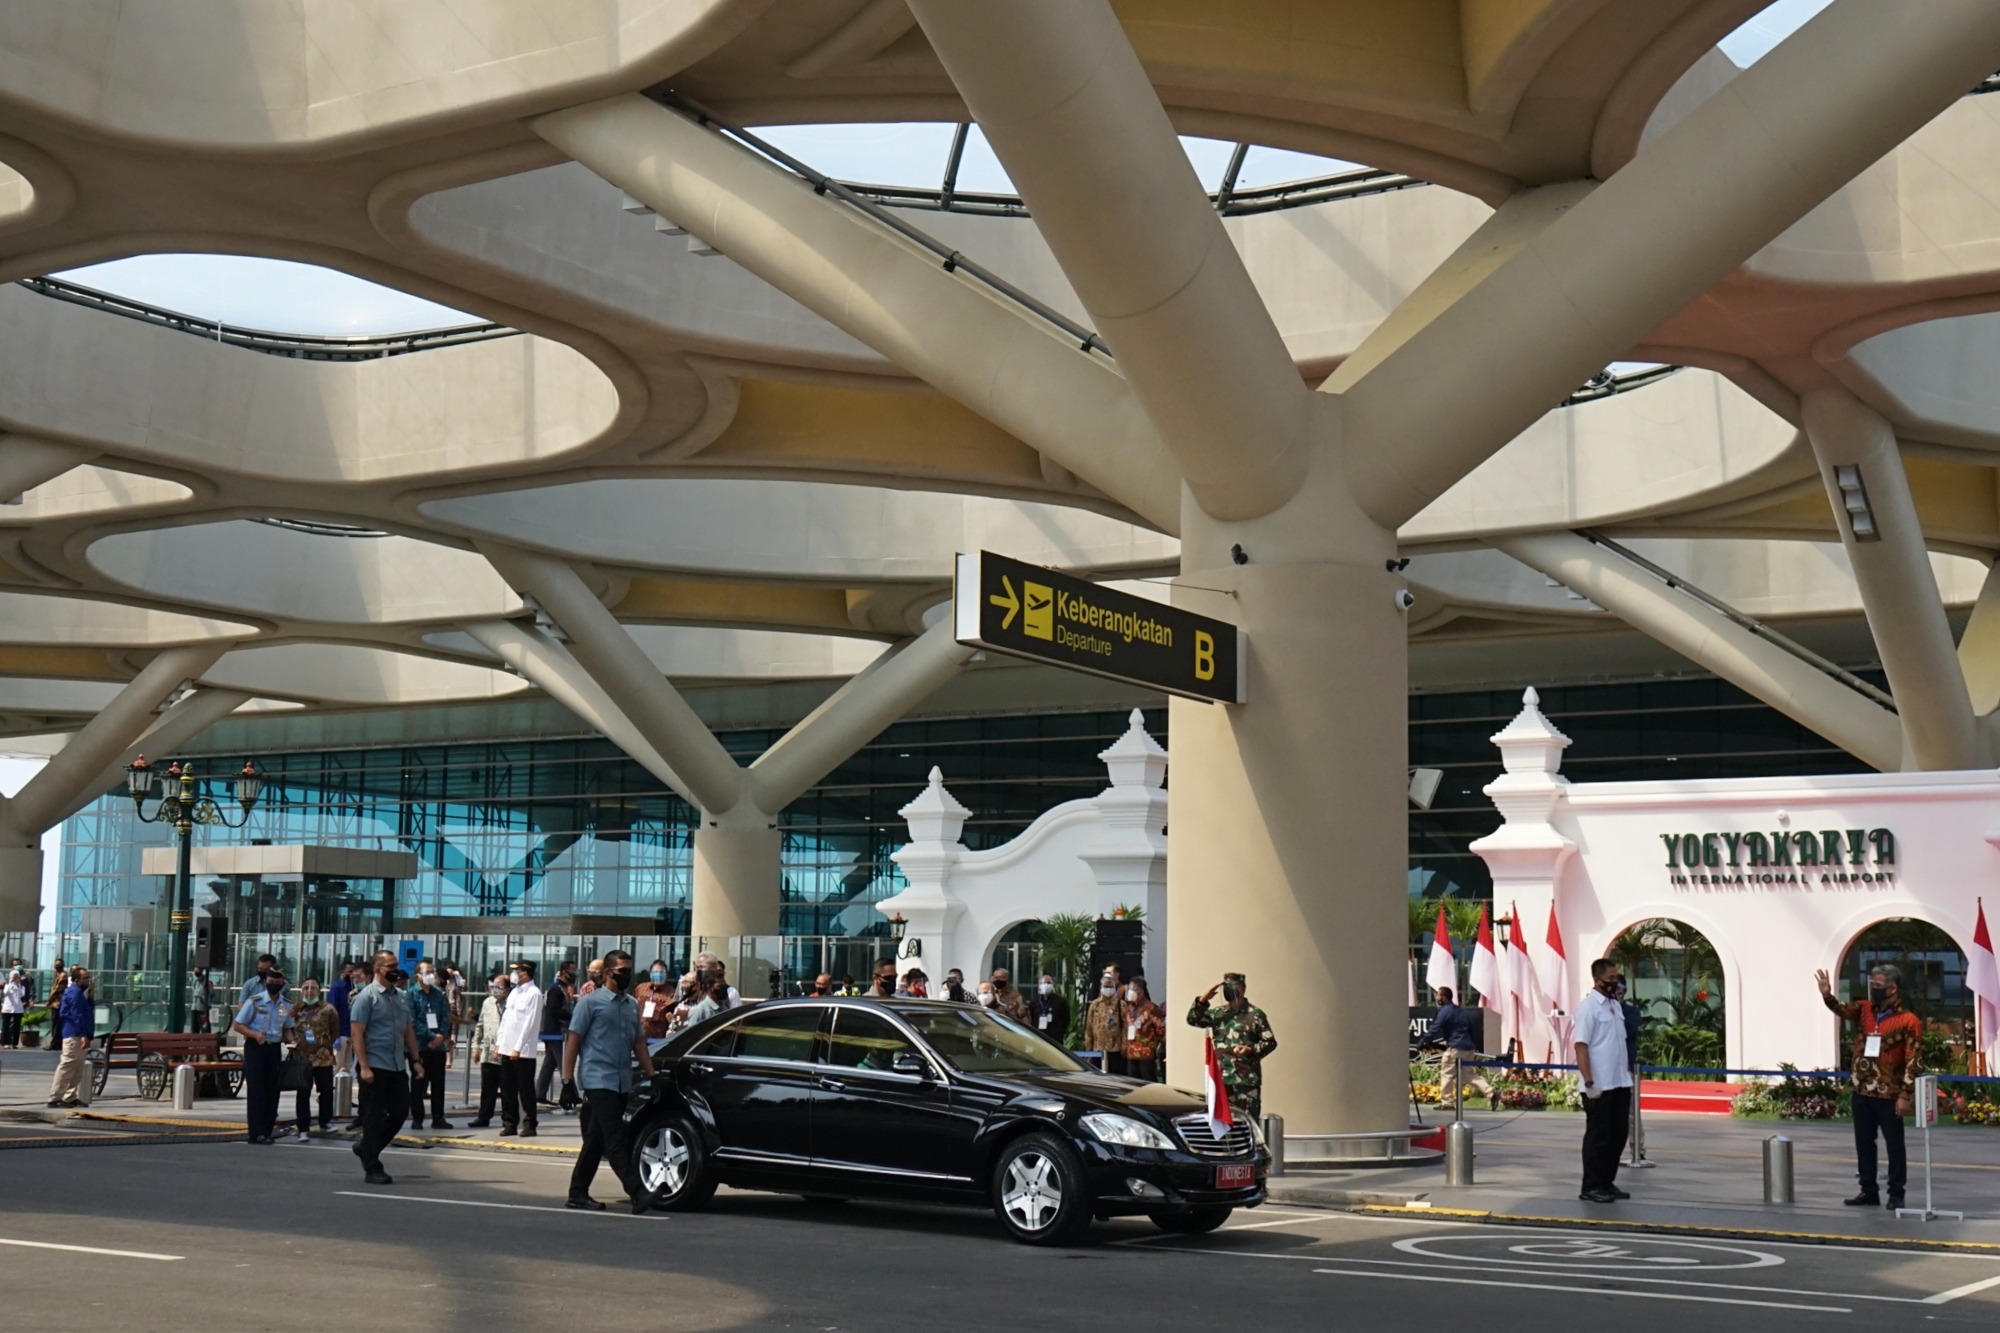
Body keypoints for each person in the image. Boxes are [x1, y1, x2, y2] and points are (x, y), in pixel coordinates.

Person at [1817, 963, 1921, 1209]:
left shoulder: (1908, 1020)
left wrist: (1905, 1095)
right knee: (1864, 1142)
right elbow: (1840, 1010)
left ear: (1893, 988)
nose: (1874, 989)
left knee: (1894, 1144)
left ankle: (1896, 1193)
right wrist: (1827, 995)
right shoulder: (1864, 1010)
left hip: (1889, 1092)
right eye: (1872, 984)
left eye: (1878, 985)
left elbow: (1913, 1060)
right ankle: (1868, 1190)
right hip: (1862, 1089)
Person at [563, 950, 657, 1213]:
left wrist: (652, 1076)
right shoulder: (590, 1003)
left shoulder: (630, 1005)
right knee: (616, 1139)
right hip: (597, 1080)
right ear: (607, 973)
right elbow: (574, 1041)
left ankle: (577, 1193)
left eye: (629, 970)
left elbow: (639, 1042)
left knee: (596, 1140)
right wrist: (567, 1080)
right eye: (621, 971)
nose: (626, 975)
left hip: (621, 1082)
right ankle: (638, 1191)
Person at [350, 949, 421, 1184]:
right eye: (390, 966)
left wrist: (416, 1061)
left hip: (397, 1065)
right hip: (375, 1065)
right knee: (372, 1116)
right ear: (379, 969)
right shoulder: (366, 997)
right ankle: (372, 1167)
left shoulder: (401, 996)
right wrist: (364, 1067)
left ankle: (366, 1147)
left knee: (400, 1112)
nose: (396, 970)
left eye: (396, 965)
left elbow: (408, 1030)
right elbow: (357, 1034)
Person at [1573, 957, 1634, 1204]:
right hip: (1599, 1085)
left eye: (1616, 978)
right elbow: (1581, 1046)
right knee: (1598, 1138)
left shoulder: (1614, 1005)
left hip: (1619, 1081)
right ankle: (1591, 1185)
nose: (1614, 983)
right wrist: (1589, 1082)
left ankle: (1607, 1182)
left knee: (1618, 1135)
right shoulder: (1589, 1007)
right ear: (1597, 979)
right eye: (1610, 979)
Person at [1186, 972, 1277, 1121]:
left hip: (1246, 1083)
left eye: (1233, 987)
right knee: (1222, 1125)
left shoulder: (1255, 1015)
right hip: (1221, 1082)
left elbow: (1270, 1042)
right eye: (1226, 987)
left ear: (1243, 988)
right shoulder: (1218, 1014)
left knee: (1247, 1123)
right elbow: (1192, 1020)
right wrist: (1203, 1000)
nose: (1229, 990)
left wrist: (1251, 1050)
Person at [233, 967, 294, 1144]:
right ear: (265, 981)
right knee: (257, 1090)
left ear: (283, 983)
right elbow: (238, 1025)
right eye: (271, 981)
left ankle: (267, 1131)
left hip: (274, 1049)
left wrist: (292, 1041)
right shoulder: (255, 1001)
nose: (274, 985)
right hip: (255, 1048)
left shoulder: (286, 1004)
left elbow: (288, 1028)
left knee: (272, 1091)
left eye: (277, 982)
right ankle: (256, 1132)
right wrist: (254, 1035)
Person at [1422, 986, 1498, 1112]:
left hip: (1455, 1047)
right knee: (1467, 1075)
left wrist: (1423, 1041)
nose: (1437, 998)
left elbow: (1435, 1027)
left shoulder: (1445, 1011)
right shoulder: (1461, 1011)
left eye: (1438, 996)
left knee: (1447, 1073)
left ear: (1444, 998)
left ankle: (1447, 1103)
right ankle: (1491, 1092)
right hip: (1468, 1047)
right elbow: (1471, 1029)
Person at [495, 958, 545, 1137]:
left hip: (523, 1051)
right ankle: (509, 1123)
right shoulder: (514, 993)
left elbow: (530, 1024)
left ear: (526, 973)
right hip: (507, 1048)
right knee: (507, 1089)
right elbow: (506, 1020)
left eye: (517, 971)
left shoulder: (534, 994)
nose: (514, 975)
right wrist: (499, 1044)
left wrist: (518, 1047)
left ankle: (530, 1124)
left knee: (525, 1090)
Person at [407, 960, 454, 1130]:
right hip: (419, 1045)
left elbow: (444, 1016)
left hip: (438, 1046)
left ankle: (438, 1118)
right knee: (418, 1083)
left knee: (438, 1083)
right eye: (427, 972)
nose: (431, 975)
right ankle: (417, 1118)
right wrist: (431, 1036)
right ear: (417, 975)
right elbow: (412, 1021)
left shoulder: (438, 994)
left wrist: (440, 1036)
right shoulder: (411, 994)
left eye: (432, 972)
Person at [290, 977, 339, 1140]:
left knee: (326, 1090)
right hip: (303, 1057)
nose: (309, 991)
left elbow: (335, 1030)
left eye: (313, 988)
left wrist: (326, 1044)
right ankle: (303, 1127)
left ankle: (325, 1121)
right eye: (305, 988)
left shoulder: (328, 1009)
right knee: (303, 1092)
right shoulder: (295, 1009)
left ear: (319, 991)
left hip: (323, 1056)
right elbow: (287, 1027)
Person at [45, 966, 94, 1108]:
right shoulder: (74, 993)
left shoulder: (80, 993)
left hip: (81, 1033)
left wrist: (90, 997)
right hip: (74, 1034)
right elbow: (76, 1014)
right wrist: (83, 1034)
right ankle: (55, 1097)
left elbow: (87, 1011)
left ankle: (70, 1096)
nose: (88, 980)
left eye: (88, 977)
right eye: (85, 978)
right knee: (67, 1066)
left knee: (78, 1068)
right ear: (77, 980)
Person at [469, 975, 509, 1128]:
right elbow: (479, 1026)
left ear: (506, 989)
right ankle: (483, 1116)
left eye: (498, 987)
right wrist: (475, 1048)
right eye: (493, 986)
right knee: (487, 1088)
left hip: (505, 1052)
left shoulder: (512, 1004)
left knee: (506, 1088)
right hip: (488, 1052)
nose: (494, 990)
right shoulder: (487, 1003)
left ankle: (508, 1118)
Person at [536, 961, 575, 1108]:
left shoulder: (563, 988)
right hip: (555, 1032)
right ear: (564, 972)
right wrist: (571, 1016)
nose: (574, 975)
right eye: (572, 971)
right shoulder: (556, 989)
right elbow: (553, 1010)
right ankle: (573, 1094)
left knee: (550, 1063)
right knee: (564, 1063)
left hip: (559, 1031)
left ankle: (539, 1093)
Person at [1086, 969, 1128, 1073]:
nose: (1108, 989)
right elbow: (1089, 1026)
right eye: (1105, 986)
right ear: (1101, 988)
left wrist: (1124, 1044)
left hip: (1115, 1048)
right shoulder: (1095, 1004)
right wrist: (1088, 1044)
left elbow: (1125, 1026)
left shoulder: (1120, 1004)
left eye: (1110, 986)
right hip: (1098, 1048)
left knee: (1115, 1075)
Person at [1123, 977, 1165, 1081]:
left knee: (1148, 1081)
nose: (1130, 992)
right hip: (1131, 1053)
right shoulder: (1128, 1009)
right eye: (1130, 989)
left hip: (1146, 1054)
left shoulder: (1151, 1008)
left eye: (1133, 989)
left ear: (1141, 992)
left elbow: (1161, 1030)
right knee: (1132, 1083)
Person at [635, 960, 676, 1040]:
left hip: (658, 1039)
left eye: (661, 972)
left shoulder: (672, 993)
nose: (658, 974)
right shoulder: (641, 988)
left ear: (666, 975)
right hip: (638, 1037)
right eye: (656, 972)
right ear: (650, 974)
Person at [1027, 973, 1069, 1044]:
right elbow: (1030, 1018)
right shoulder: (1034, 1002)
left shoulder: (1060, 1001)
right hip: (1038, 1037)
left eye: (1048, 983)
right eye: (1043, 983)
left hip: (1055, 1038)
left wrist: (1061, 1032)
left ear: (1053, 985)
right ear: (1038, 985)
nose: (1045, 985)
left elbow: (1066, 1019)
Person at [2, 964, 24, 1048]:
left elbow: (21, 994)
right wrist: (11, 982)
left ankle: (15, 1043)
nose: (16, 978)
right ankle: (5, 1042)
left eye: (17, 976)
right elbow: (6, 992)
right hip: (7, 1008)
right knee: (6, 1026)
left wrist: (18, 985)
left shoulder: (21, 986)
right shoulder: (7, 986)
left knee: (16, 1027)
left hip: (18, 1009)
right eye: (14, 976)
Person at [189, 966, 213, 1034]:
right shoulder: (195, 981)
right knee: (194, 1029)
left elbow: (211, 993)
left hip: (202, 1008)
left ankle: (206, 1042)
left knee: (205, 1028)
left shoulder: (207, 981)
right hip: (194, 1007)